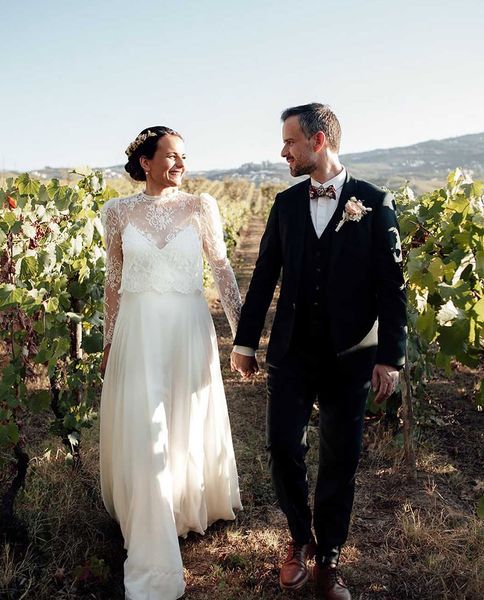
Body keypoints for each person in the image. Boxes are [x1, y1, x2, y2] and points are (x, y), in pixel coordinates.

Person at [231, 103, 407, 600]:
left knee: (340, 457)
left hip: (351, 355)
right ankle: (299, 539)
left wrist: (389, 357)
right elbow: (263, 275)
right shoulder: (285, 205)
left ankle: (329, 555)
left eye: (289, 141)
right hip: (290, 352)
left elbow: (392, 288)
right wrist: (246, 342)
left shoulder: (374, 202)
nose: (282, 150)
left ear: (318, 141)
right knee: (283, 446)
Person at [99, 126, 242, 600]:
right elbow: (113, 283)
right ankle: (150, 533)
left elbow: (221, 268)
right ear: (145, 162)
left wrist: (242, 335)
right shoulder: (116, 212)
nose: (181, 163)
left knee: (182, 416)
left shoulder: (202, 207)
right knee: (146, 426)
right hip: (137, 332)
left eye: (184, 156)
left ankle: (181, 505)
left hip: (187, 329)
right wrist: (106, 342)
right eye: (172, 156)